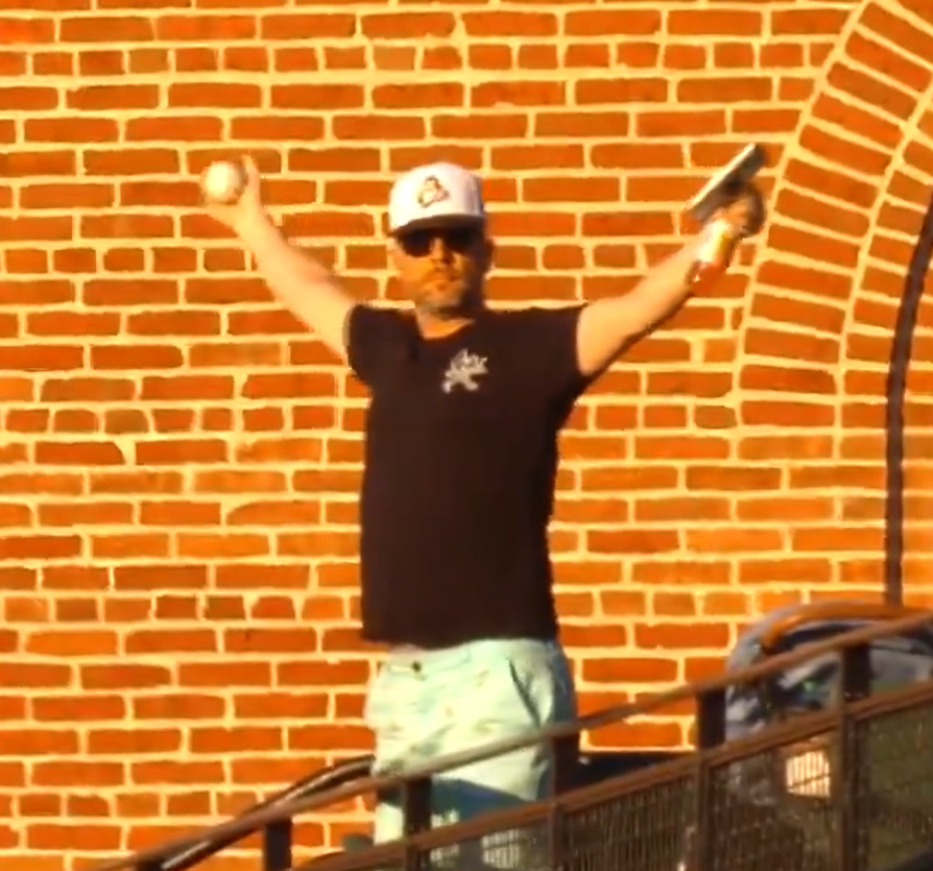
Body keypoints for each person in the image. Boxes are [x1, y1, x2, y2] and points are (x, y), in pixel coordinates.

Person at [205, 159, 764, 851]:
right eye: (419, 241)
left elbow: (636, 308)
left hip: (496, 675)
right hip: (405, 681)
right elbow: (311, 288)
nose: (439, 256)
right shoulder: (388, 350)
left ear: (485, 248)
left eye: (456, 237)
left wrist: (722, 231)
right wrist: (250, 223)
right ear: (396, 255)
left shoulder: (531, 349)